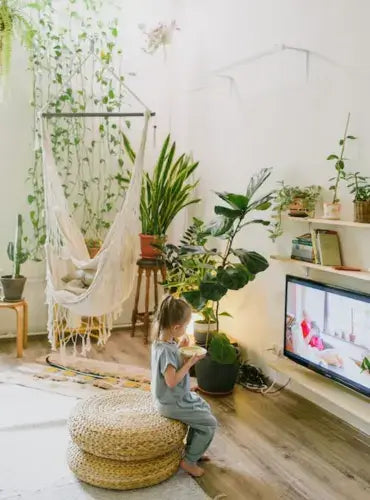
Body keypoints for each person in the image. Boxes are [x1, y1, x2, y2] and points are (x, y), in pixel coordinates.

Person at [151, 295, 217, 477]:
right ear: (176, 327)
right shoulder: (166, 351)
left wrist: (180, 346)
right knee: (209, 423)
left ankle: (195, 449)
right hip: (171, 403)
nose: (187, 329)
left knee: (204, 408)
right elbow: (171, 381)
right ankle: (189, 462)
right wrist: (190, 363)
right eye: (186, 326)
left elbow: (170, 364)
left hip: (172, 398)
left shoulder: (163, 342)